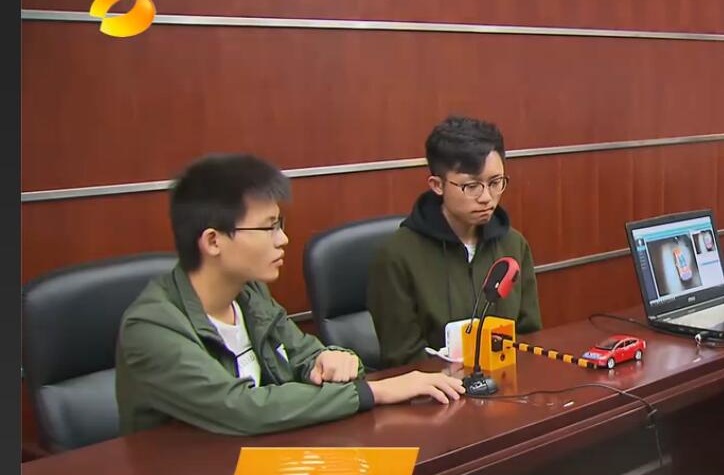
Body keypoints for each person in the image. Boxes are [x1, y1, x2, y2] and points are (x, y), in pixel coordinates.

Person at [116, 153, 464, 437]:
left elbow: (306, 354)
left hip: (265, 461)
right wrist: (375, 391)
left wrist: (334, 358)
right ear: (213, 241)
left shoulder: (249, 294)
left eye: (279, 225)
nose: (282, 239)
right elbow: (241, 408)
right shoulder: (152, 328)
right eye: (269, 227)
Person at [368, 116, 541, 368]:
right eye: (472, 186)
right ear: (437, 185)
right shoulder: (397, 256)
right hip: (434, 387)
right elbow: (403, 358)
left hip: (507, 381)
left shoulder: (513, 245)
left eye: (495, 183)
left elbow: (528, 337)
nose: (487, 197)